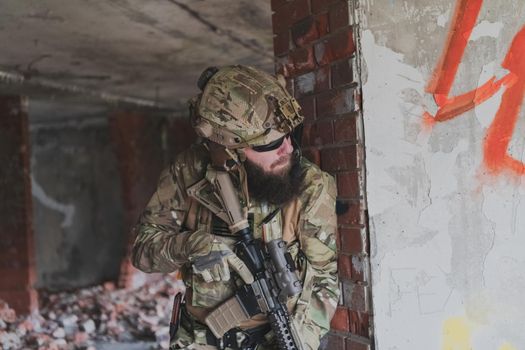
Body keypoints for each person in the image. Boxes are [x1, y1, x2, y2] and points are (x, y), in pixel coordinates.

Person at [132, 65, 339, 350]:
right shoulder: (187, 172)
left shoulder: (310, 186)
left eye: (289, 136)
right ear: (231, 151)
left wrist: (302, 340)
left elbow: (325, 278)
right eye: (271, 146)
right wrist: (191, 245)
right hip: (200, 340)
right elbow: (143, 252)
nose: (288, 150)